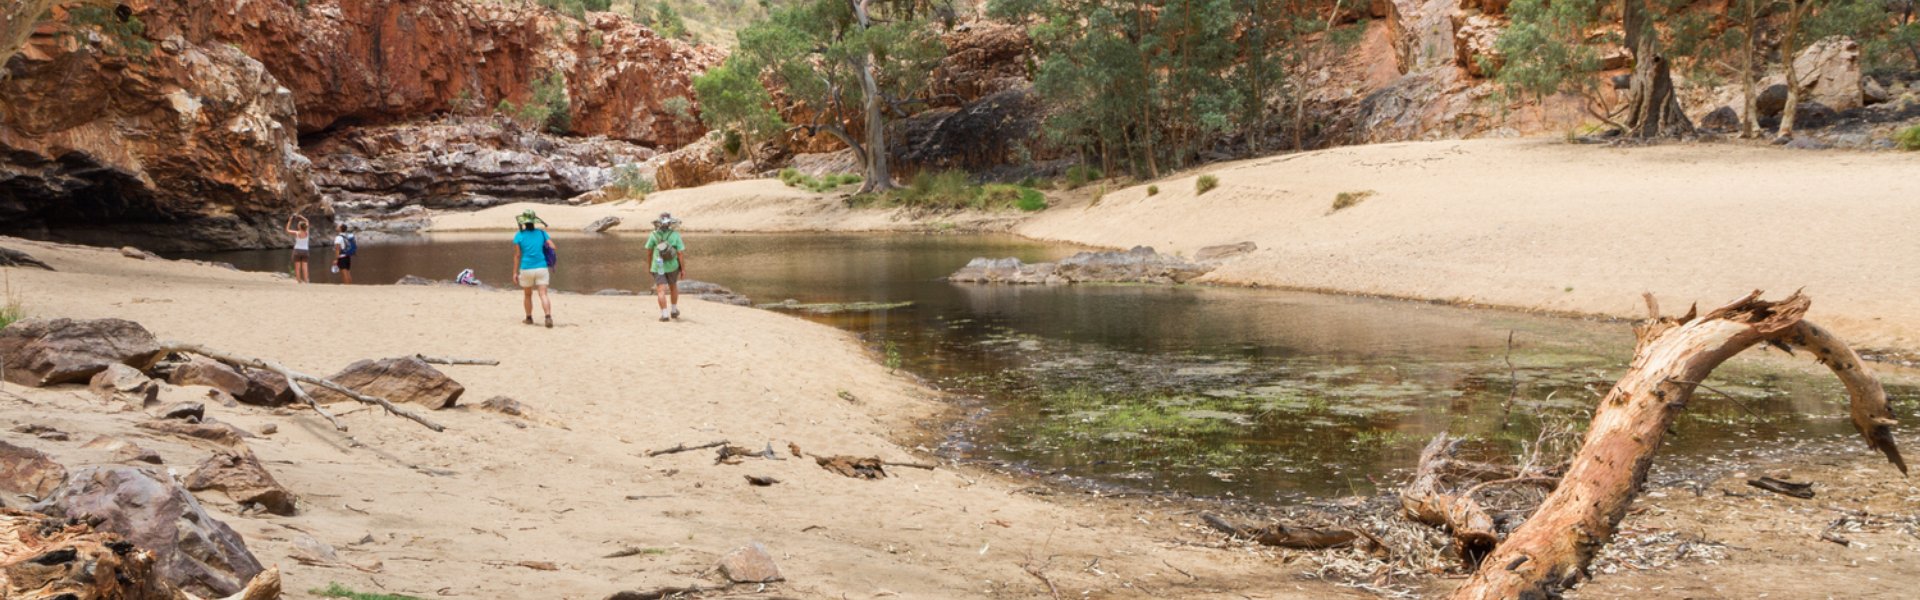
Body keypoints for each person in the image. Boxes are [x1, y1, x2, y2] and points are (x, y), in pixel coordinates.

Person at [513, 210, 557, 328]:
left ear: (523, 222)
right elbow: (553, 246)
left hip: (526, 268)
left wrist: (514, 273)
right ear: (534, 221)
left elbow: (517, 255)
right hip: (541, 267)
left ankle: (529, 318)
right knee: (543, 294)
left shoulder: (519, 235)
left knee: (527, 295)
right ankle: (548, 317)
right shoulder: (542, 233)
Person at [645, 212, 686, 322]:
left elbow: (649, 252)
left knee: (661, 291)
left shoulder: (653, 235)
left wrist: (649, 267)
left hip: (658, 266)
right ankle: (673, 310)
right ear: (670, 223)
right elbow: (680, 253)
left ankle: (664, 315)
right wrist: (683, 269)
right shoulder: (675, 235)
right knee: (673, 287)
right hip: (673, 266)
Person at [284, 214, 311, 284]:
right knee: (305, 267)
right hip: (305, 251)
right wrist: (300, 216)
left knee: (297, 267)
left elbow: (287, 230)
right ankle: (306, 280)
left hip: (297, 251)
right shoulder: (307, 232)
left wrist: (290, 221)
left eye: (298, 225)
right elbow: (307, 221)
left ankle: (299, 281)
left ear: (299, 227)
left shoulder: (297, 233)